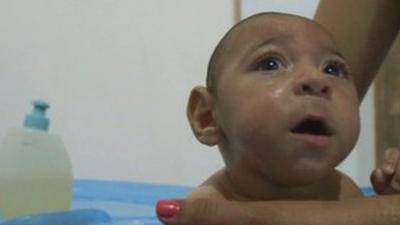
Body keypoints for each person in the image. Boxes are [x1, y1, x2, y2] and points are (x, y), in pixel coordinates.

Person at [155, 10, 400, 225]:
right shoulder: (210, 208)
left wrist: (389, 200)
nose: (317, 80)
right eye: (270, 64)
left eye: (333, 69)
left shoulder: (344, 192)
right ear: (207, 116)